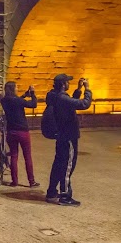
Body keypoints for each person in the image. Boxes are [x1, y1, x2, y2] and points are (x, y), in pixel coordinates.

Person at [45, 75, 92, 206]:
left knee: (58, 164)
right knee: (67, 166)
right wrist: (87, 90)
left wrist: (78, 90)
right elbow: (84, 104)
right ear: (63, 84)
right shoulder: (61, 98)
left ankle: (51, 192)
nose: (68, 84)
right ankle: (65, 196)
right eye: (67, 82)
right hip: (68, 136)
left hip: (61, 136)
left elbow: (70, 104)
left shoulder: (54, 96)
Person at [0, 81, 38, 187]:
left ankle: (14, 181)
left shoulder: (4, 100)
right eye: (16, 87)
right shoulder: (18, 101)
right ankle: (31, 181)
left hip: (11, 131)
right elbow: (33, 104)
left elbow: (16, 101)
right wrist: (33, 93)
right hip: (22, 131)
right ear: (13, 89)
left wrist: (25, 94)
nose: (17, 88)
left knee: (14, 156)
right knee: (27, 156)